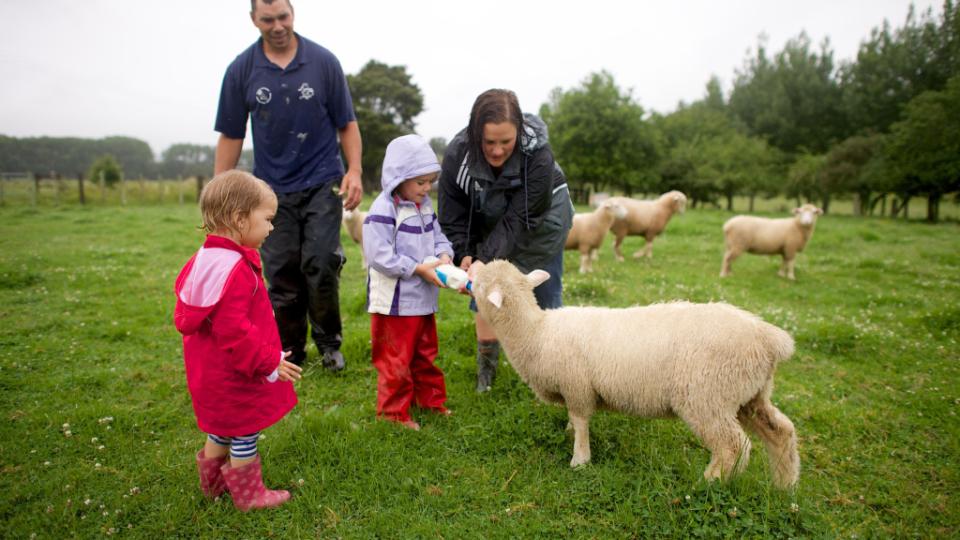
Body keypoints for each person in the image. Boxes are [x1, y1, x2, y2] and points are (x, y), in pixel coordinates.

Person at [213, 0, 363, 371]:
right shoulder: (241, 70)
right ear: (253, 20)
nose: (277, 25)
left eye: (283, 16)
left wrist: (355, 170)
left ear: (292, 13)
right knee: (281, 269)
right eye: (268, 19)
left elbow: (347, 123)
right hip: (269, 190)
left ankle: (330, 345)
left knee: (323, 262)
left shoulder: (323, 62)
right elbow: (231, 134)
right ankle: (291, 350)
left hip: (322, 180)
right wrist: (219, 193)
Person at [174, 170, 303, 511]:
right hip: (235, 374)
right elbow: (234, 330)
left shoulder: (202, 259)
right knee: (244, 430)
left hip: (208, 372)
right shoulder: (234, 268)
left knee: (221, 427)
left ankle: (213, 486)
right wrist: (268, 361)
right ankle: (250, 496)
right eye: (267, 219)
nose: (271, 227)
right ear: (238, 218)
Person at [438, 89, 574, 392]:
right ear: (475, 134)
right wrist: (467, 254)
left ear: (519, 133)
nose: (498, 151)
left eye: (506, 142)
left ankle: (554, 374)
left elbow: (521, 218)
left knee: (543, 290)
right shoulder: (457, 155)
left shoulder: (538, 154)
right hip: (491, 215)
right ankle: (486, 372)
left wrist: (487, 259)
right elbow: (453, 214)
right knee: (484, 291)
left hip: (542, 221)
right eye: (489, 142)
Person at [363, 135, 454, 430]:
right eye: (421, 182)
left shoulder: (424, 205)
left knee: (425, 354)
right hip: (395, 303)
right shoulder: (383, 209)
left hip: (423, 299)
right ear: (399, 177)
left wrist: (444, 254)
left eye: (430, 182)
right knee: (395, 359)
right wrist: (416, 268)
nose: (427, 188)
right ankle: (392, 415)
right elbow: (379, 256)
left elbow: (438, 235)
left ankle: (429, 401)